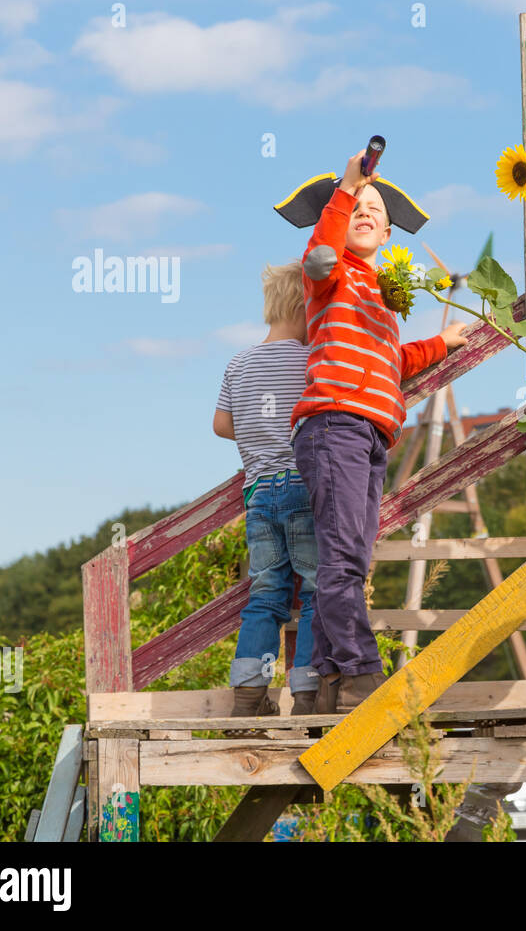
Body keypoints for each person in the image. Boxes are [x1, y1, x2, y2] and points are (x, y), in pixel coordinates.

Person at [290, 150, 468, 713]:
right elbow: (319, 254)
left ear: (390, 233)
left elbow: (394, 358)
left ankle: (327, 682)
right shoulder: (331, 274)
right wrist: (346, 187)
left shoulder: (385, 296)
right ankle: (363, 674)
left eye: (375, 210)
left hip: (371, 433)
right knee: (342, 557)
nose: (365, 213)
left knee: (350, 559)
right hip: (335, 423)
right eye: (357, 209)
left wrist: (443, 344)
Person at [213, 259, 320, 729]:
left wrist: (257, 434)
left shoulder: (238, 363)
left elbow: (221, 425)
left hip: (258, 493)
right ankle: (308, 694)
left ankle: (250, 693)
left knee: (265, 594)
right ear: (307, 308)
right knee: (316, 590)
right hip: (303, 485)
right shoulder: (311, 360)